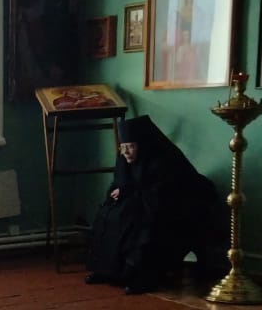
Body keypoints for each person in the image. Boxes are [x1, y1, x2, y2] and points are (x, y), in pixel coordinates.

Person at [86, 115, 227, 294]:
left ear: (143, 145)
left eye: (131, 146)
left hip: (178, 206)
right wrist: (117, 193)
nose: (126, 152)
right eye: (123, 147)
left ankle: (140, 277)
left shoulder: (163, 160)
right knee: (108, 214)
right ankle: (107, 271)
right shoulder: (124, 158)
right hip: (141, 202)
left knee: (139, 223)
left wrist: (129, 192)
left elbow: (164, 194)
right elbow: (119, 183)